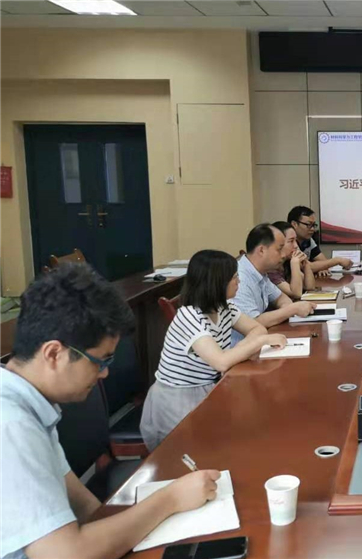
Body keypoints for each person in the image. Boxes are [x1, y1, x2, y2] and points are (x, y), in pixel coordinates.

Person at [0, 264, 220, 559]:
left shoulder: (29, 400)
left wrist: (134, 525)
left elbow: (82, 503)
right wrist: (170, 500)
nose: (104, 374)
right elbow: (66, 555)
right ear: (53, 353)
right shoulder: (11, 423)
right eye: (100, 361)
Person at [140, 250, 287, 450]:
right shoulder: (189, 316)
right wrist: (258, 343)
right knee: (217, 448)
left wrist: (243, 347)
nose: (239, 282)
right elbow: (221, 362)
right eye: (234, 277)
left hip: (209, 389)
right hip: (176, 400)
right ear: (216, 282)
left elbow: (257, 328)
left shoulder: (225, 308)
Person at [231, 223, 316, 346]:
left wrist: (288, 308)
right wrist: (292, 309)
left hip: (257, 344)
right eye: (279, 249)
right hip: (240, 350)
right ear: (261, 250)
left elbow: (282, 298)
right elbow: (253, 323)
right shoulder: (240, 278)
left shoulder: (261, 272)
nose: (283, 255)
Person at [287, 206, 354, 277]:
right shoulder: (288, 241)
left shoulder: (308, 240)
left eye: (313, 225)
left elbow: (323, 260)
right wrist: (337, 260)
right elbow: (307, 267)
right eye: (308, 225)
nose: (312, 229)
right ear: (294, 224)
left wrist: (321, 267)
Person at [266, 220, 316, 300]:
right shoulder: (271, 269)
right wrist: (295, 264)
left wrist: (306, 264)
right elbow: (296, 294)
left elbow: (310, 287)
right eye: (291, 241)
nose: (296, 246)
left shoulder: (287, 262)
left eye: (296, 240)